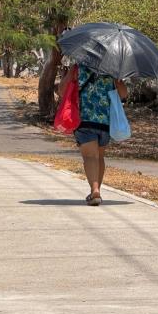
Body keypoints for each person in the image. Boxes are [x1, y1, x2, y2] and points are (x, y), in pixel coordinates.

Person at [58, 62, 128, 206]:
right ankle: (96, 190)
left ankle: (95, 190)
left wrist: (68, 74)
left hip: (84, 120)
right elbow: (123, 94)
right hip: (105, 123)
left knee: (90, 157)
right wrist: (117, 78)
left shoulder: (78, 67)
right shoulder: (112, 68)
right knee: (99, 157)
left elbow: (61, 91)